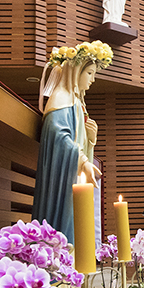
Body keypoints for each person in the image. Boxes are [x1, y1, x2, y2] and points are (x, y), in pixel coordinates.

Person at [33, 41, 114, 243]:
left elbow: (76, 140)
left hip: (72, 177)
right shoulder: (61, 99)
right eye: (90, 73)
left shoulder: (77, 103)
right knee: (65, 226)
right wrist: (83, 161)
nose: (93, 79)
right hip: (61, 182)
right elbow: (59, 138)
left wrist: (90, 140)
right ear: (76, 71)